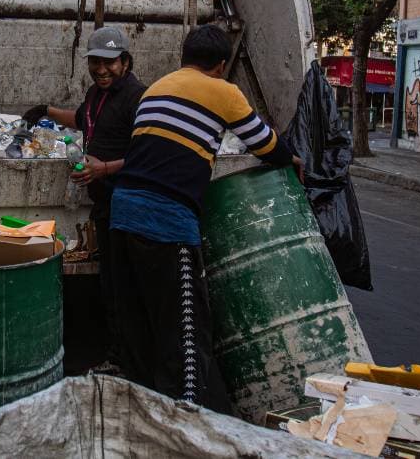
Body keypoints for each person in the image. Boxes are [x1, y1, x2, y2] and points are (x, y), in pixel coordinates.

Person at [109, 24, 299, 414]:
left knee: (141, 326)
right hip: (165, 222)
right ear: (221, 65)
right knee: (186, 334)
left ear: (184, 58)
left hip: (122, 214)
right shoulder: (223, 92)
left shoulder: (156, 88)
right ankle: (188, 419)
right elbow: (265, 145)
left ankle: (145, 411)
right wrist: (293, 159)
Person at [22, 25, 147, 372]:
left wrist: (104, 169)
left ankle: (129, 362)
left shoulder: (138, 98)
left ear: (125, 62)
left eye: (109, 62)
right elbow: (82, 119)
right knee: (109, 283)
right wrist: (46, 110)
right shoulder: (96, 94)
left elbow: (146, 153)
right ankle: (119, 357)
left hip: (128, 204)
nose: (102, 69)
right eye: (95, 62)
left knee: (123, 286)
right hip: (105, 205)